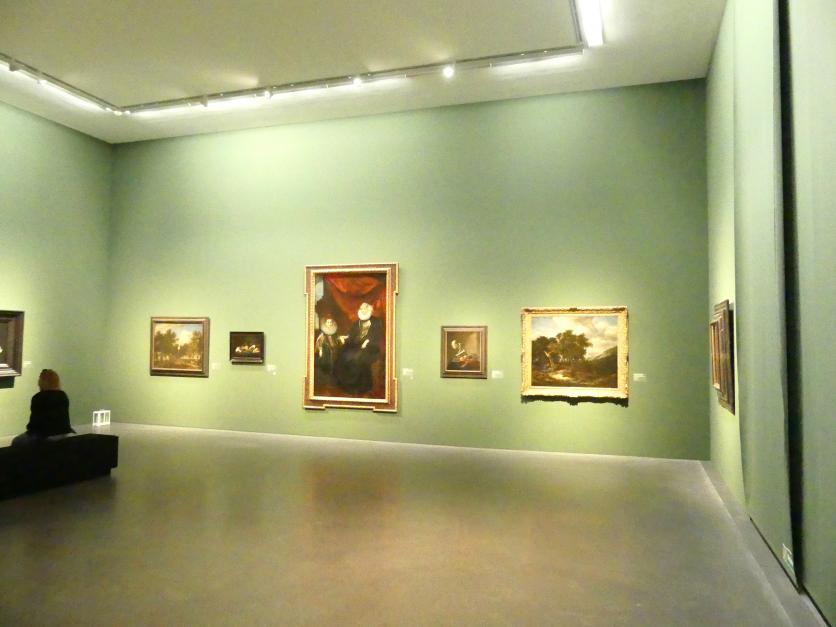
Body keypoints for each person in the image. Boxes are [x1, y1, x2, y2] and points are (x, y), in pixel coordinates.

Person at [11, 369, 75, 446]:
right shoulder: (63, 395)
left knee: (16, 441)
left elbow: (35, 423)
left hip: (45, 435)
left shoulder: (38, 397)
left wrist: (30, 431)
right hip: (63, 432)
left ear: (42, 382)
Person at [334, 302, 382, 394]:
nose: (363, 310)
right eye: (361, 308)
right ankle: (345, 384)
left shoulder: (376, 322)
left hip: (370, 348)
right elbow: (352, 336)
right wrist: (345, 338)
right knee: (342, 355)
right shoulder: (357, 323)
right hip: (356, 347)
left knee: (356, 359)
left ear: (370, 310)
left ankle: (358, 387)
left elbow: (376, 337)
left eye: (365, 308)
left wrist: (367, 342)